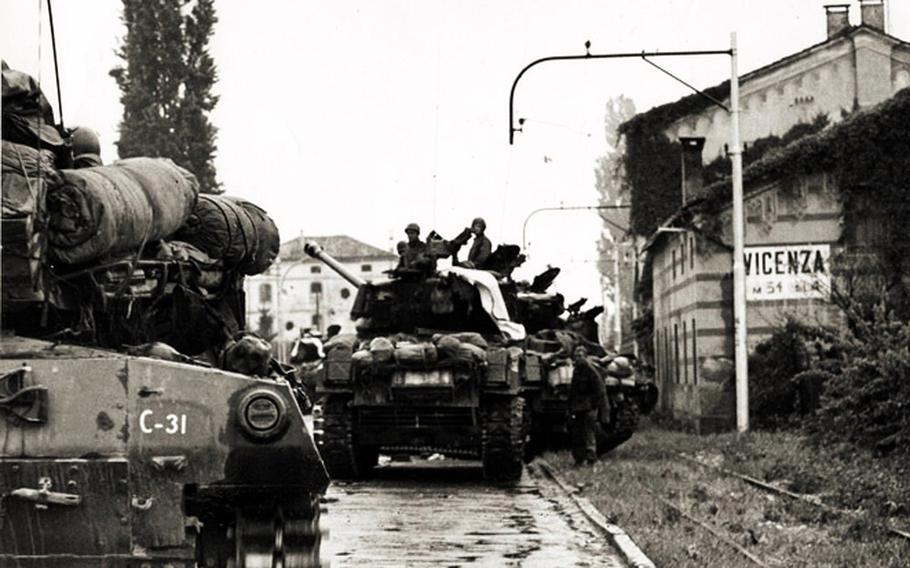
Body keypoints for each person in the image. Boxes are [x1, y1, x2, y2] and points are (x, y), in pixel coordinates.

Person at [568, 344, 609, 466]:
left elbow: (600, 390)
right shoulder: (577, 370)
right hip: (578, 408)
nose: (578, 358)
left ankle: (591, 458)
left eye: (580, 356)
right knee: (577, 434)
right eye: (576, 356)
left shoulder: (591, 371)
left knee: (588, 433)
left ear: (585, 357)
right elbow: (573, 391)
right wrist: (569, 408)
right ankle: (579, 459)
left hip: (589, 407)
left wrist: (599, 408)